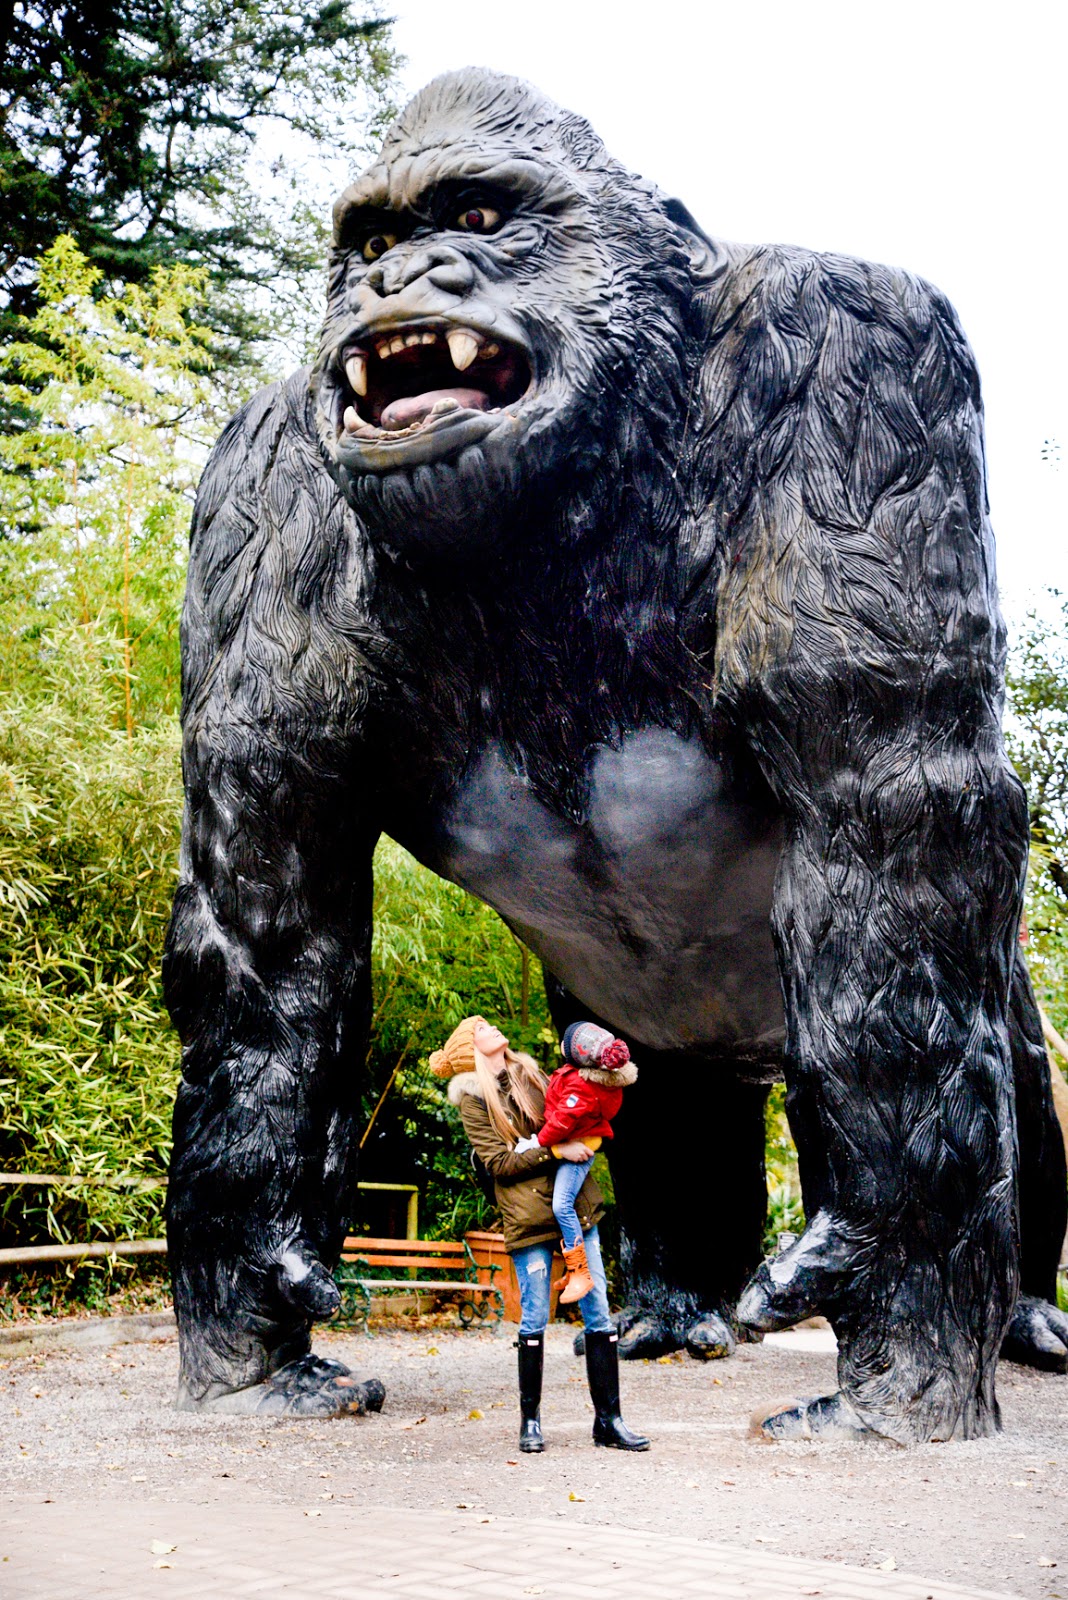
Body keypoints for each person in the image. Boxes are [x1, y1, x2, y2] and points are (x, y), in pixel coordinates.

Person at [430, 1015, 649, 1454]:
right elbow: (499, 1165)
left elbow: (576, 1111)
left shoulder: (532, 1072)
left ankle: (609, 1421)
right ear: (470, 1047)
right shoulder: (474, 1101)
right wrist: (554, 1149)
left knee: (599, 1313)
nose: (492, 1028)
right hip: (528, 1215)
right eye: (482, 1029)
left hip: (576, 1210)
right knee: (533, 1317)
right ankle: (530, 1423)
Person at [513, 1022, 637, 1305]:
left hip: (577, 1150)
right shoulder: (592, 1078)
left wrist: (539, 1143)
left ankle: (579, 1270)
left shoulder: (581, 1086)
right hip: (579, 1143)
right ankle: (574, 1267)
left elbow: (562, 1121)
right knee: (559, 1207)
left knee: (562, 1205)